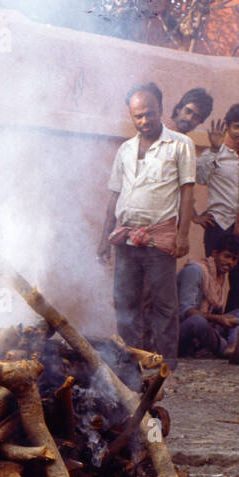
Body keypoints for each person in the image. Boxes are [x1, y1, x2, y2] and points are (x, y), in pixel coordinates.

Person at [97, 82, 195, 369]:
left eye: (149, 114)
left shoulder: (180, 145)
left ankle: (166, 369)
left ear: (162, 110)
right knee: (126, 305)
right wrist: (104, 238)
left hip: (160, 239)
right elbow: (114, 195)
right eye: (137, 116)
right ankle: (131, 367)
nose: (144, 121)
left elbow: (188, 191)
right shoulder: (125, 150)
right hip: (126, 240)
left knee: (164, 306)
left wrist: (183, 235)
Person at [194, 103, 239, 313]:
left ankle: (229, 330)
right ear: (228, 128)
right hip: (218, 225)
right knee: (214, 280)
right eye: (236, 127)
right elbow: (199, 178)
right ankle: (210, 330)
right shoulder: (215, 152)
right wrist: (214, 150)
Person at [178, 229, 239, 362]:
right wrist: (218, 318)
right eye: (227, 256)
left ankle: (233, 346)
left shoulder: (219, 276)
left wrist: (219, 319)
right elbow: (184, 312)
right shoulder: (194, 271)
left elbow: (215, 314)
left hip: (206, 328)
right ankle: (225, 350)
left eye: (234, 259)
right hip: (180, 331)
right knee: (197, 321)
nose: (230, 262)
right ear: (214, 254)